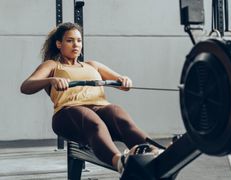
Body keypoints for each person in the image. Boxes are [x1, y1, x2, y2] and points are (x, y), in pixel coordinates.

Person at [20, 22, 159, 173]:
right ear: (59, 44)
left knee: (117, 113)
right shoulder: (52, 65)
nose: (76, 45)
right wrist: (51, 80)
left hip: (100, 109)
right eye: (70, 40)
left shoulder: (92, 65)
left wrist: (125, 80)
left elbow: (123, 84)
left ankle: (156, 153)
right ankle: (120, 162)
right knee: (91, 120)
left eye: (79, 41)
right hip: (68, 113)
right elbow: (26, 86)